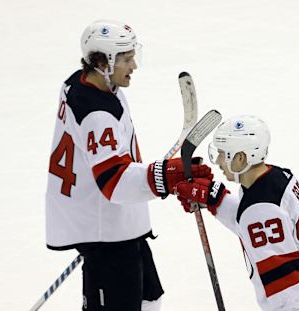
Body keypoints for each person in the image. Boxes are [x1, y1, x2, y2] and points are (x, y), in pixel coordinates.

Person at [45, 20, 212, 311]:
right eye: (125, 58)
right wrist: (167, 176)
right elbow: (116, 183)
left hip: (111, 220)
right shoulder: (97, 114)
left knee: (149, 298)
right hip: (103, 230)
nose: (133, 65)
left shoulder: (80, 83)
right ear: (101, 61)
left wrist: (157, 174)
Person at [173, 115, 299, 311]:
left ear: (240, 158)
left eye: (223, 153)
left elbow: (288, 286)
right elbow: (253, 221)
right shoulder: (273, 177)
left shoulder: (260, 209)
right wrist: (215, 198)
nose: (217, 161)